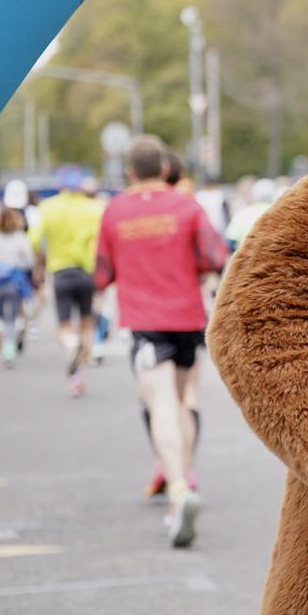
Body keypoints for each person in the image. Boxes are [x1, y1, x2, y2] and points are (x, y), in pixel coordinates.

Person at [95, 135, 229, 547]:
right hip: (188, 318)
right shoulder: (187, 206)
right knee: (187, 400)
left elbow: (101, 274)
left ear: (130, 171)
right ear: (166, 169)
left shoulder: (115, 212)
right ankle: (185, 473)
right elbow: (215, 257)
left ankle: (177, 492)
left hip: (146, 322)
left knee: (162, 406)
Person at [31, 164, 105, 396]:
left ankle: (71, 355)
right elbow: (101, 242)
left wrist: (40, 262)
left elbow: (33, 240)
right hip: (86, 272)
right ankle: (80, 376)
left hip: (60, 271)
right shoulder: (94, 208)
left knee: (64, 326)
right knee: (86, 323)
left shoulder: (47, 207)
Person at [0, 202, 35, 367]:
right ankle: (8, 352)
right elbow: (29, 260)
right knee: (13, 317)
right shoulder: (20, 237)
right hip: (14, 282)